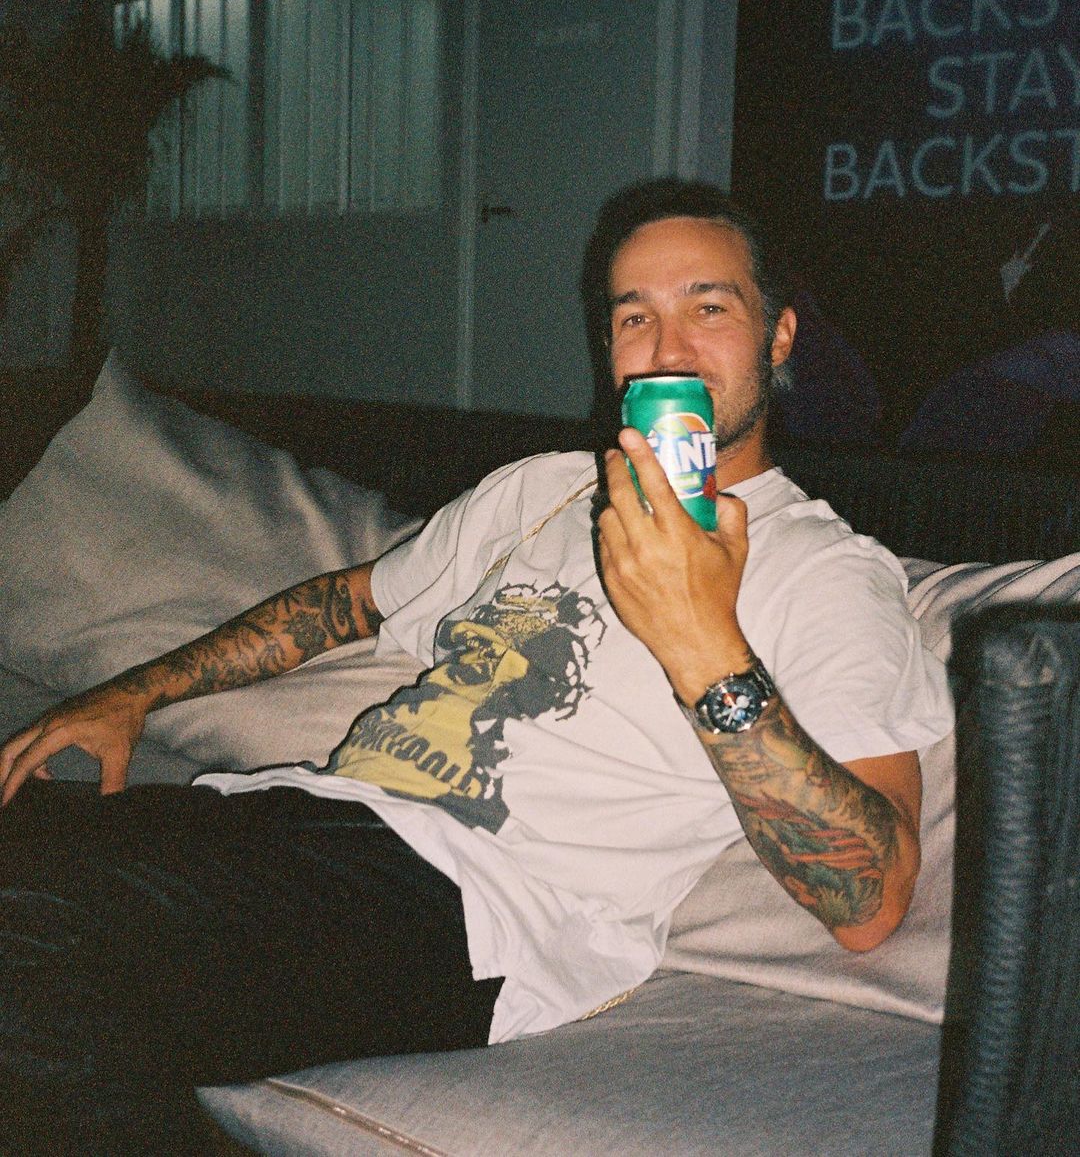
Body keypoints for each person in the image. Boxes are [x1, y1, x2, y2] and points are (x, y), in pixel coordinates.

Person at [0, 179, 953, 1154]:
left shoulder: (825, 571)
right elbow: (345, 604)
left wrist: (703, 646)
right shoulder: (543, 491)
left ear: (779, 337)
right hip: (306, 818)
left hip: (476, 913)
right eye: (635, 317)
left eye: (708, 308)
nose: (667, 350)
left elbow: (871, 901)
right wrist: (133, 693)